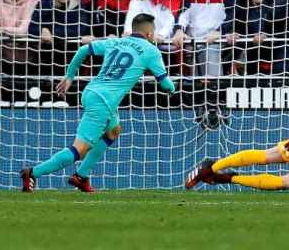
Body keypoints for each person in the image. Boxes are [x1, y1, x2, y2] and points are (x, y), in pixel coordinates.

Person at [20, 13, 176, 193]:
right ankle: (32, 173)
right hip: (103, 102)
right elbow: (166, 84)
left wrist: (70, 76)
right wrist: (173, 87)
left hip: (92, 92)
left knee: (113, 131)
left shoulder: (116, 42)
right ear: (150, 34)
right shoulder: (151, 51)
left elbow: (83, 50)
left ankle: (81, 176)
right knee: (79, 150)